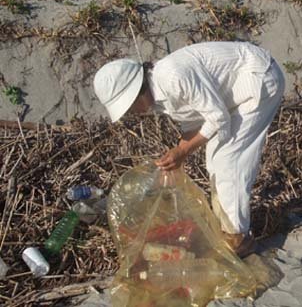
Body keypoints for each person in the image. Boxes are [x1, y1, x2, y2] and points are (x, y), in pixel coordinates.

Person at [93, 42, 285, 255]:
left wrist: (183, 151)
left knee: (229, 162)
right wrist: (176, 155)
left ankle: (238, 238)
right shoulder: (160, 99)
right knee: (214, 160)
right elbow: (193, 123)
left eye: (129, 107)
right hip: (232, 95)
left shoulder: (173, 77)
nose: (131, 113)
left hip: (258, 81)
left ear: (138, 91)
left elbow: (218, 118)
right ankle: (229, 228)